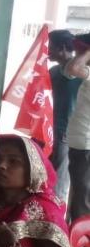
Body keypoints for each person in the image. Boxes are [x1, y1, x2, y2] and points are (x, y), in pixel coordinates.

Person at [49, 29, 82, 202]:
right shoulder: (53, 71)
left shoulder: (79, 72)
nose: (48, 51)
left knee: (59, 182)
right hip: (49, 130)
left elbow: (71, 71)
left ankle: (55, 212)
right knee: (48, 176)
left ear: (62, 48)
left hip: (67, 133)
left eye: (51, 47)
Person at [65, 35, 90, 221]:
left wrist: (88, 51)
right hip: (82, 142)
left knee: (82, 198)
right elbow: (70, 69)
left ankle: (81, 235)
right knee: (80, 194)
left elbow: (73, 68)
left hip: (85, 143)